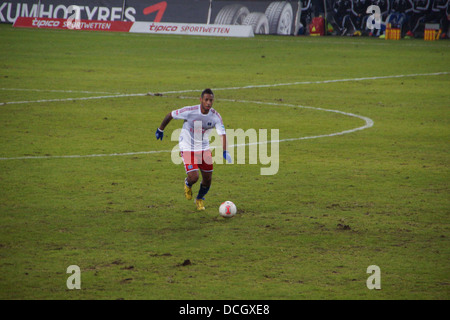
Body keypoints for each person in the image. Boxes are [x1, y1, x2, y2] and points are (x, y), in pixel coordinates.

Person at [155, 89, 232, 211]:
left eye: (211, 100)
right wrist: (161, 129)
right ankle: (188, 183)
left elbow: (222, 134)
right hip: (187, 146)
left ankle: (199, 199)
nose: (208, 103)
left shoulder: (216, 116)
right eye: (206, 100)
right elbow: (171, 115)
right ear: (201, 100)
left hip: (203, 147)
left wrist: (225, 151)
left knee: (208, 179)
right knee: (194, 177)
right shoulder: (189, 111)